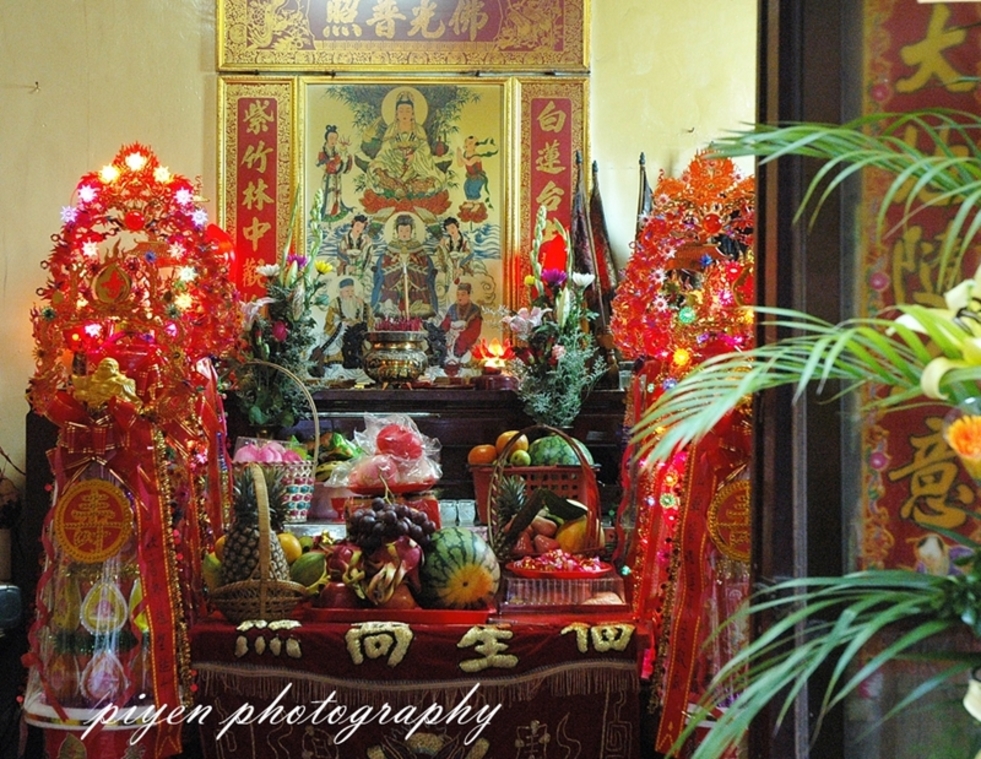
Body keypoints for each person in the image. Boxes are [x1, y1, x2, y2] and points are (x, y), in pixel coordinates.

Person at [367, 90, 444, 199]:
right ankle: (397, 187)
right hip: (393, 168)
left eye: (408, 111)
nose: (404, 114)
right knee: (374, 169)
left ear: (412, 113)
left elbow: (425, 150)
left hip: (414, 170)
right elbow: (384, 151)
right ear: (396, 113)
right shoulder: (391, 129)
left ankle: (407, 187)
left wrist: (415, 157)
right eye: (401, 111)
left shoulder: (418, 130)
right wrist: (390, 156)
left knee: (435, 179)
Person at [371, 214, 438, 318]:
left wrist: (412, 264)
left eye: (407, 230)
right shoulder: (391, 247)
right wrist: (397, 264)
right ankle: (390, 308)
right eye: (401, 230)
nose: (404, 233)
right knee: (387, 288)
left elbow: (425, 266)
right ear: (396, 231)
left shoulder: (417, 247)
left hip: (415, 283)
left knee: (421, 291)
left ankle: (418, 309)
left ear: (412, 231)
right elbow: (383, 266)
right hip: (394, 283)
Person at [312, 277, 369, 369]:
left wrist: (362, 306)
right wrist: (341, 324)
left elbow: (366, 318)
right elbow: (330, 320)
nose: (350, 294)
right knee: (334, 342)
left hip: (357, 331)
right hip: (341, 330)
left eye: (352, 291)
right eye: (347, 291)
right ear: (340, 292)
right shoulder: (335, 302)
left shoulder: (358, 302)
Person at [317, 125, 353, 221]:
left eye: (335, 139)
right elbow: (321, 163)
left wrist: (343, 157)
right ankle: (327, 211)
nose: (333, 141)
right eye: (331, 138)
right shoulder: (323, 150)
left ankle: (336, 210)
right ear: (327, 138)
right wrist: (330, 162)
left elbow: (341, 160)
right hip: (328, 177)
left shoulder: (336, 151)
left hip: (336, 176)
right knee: (329, 193)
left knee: (337, 193)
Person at [440, 281, 483, 361]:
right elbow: (445, 324)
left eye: (463, 294)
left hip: (467, 342)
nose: (460, 297)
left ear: (469, 295)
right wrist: (439, 333)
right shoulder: (452, 308)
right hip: (451, 339)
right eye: (458, 294)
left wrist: (461, 340)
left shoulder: (475, 310)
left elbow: (474, 330)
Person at [337, 213, 372, 280]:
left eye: (362, 227)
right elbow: (339, 257)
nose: (358, 229)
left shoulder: (365, 240)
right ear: (353, 224)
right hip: (347, 270)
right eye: (357, 225)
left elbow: (368, 258)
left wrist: (368, 246)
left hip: (359, 270)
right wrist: (346, 267)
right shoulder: (345, 239)